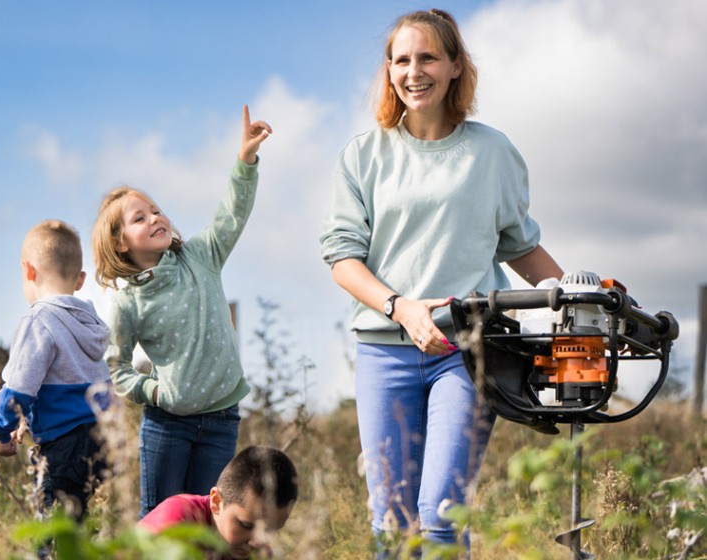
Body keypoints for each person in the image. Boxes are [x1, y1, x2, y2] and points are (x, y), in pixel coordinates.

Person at [320, 8, 564, 555]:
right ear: (388, 71)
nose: (414, 71)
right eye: (401, 59)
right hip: (385, 352)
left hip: (469, 349)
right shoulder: (362, 156)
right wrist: (400, 306)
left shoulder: (492, 152)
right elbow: (342, 258)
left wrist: (584, 301)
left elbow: (520, 245)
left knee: (440, 516)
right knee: (392, 521)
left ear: (455, 66)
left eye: (428, 56)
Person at [92, 105, 272, 518]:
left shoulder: (200, 257)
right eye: (140, 218)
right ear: (121, 244)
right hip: (167, 426)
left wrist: (245, 160)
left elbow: (232, 214)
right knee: (161, 521)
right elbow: (116, 368)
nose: (155, 217)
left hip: (222, 419)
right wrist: (153, 391)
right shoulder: (127, 302)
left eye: (155, 210)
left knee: (208, 521)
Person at [0, 219, 111, 521]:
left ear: (28, 271)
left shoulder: (39, 320)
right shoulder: (88, 322)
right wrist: (29, 422)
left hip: (62, 449)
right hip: (103, 442)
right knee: (78, 526)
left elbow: (17, 389)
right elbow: (73, 387)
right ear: (80, 279)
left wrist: (0, 432)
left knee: (49, 530)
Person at [138, 445, 298, 560]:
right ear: (216, 501)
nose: (257, 541)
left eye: (269, 531)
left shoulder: (258, 553)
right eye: (247, 525)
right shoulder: (179, 519)